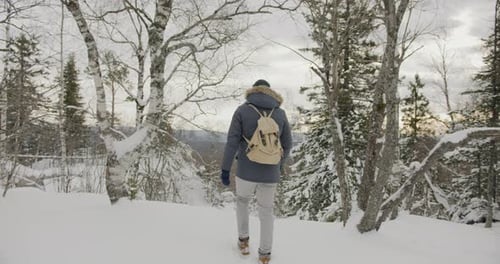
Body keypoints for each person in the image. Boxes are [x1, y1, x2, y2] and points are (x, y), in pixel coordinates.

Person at [221, 79, 292, 264]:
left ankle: (243, 242)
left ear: (254, 91)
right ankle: (265, 254)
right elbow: (288, 144)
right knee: (266, 212)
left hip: (246, 170)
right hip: (270, 173)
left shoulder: (243, 110)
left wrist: (225, 169)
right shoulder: (280, 113)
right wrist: (279, 165)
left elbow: (232, 142)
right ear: (270, 93)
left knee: (243, 202)